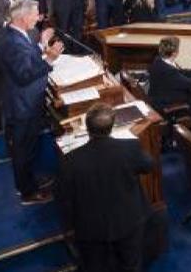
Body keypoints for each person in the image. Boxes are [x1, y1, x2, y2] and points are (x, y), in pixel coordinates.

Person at [56, 103, 153, 272]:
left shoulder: (70, 160)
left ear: (87, 128)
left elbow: (63, 197)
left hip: (91, 227)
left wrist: (69, 226)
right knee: (131, 265)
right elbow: (148, 165)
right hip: (128, 220)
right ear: (112, 126)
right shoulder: (129, 148)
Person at [0, 0, 65, 205]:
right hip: (22, 105)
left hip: (26, 101)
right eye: (35, 14)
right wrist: (50, 58)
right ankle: (27, 192)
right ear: (24, 17)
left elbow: (27, 58)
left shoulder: (15, 34)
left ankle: (29, 180)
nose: (38, 17)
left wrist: (41, 46)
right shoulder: (12, 42)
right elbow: (25, 73)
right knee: (23, 148)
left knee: (29, 146)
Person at [148, 36, 191, 137]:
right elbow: (189, 83)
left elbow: (179, 73)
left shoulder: (159, 60)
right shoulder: (169, 71)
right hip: (165, 104)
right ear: (174, 53)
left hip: (159, 96)